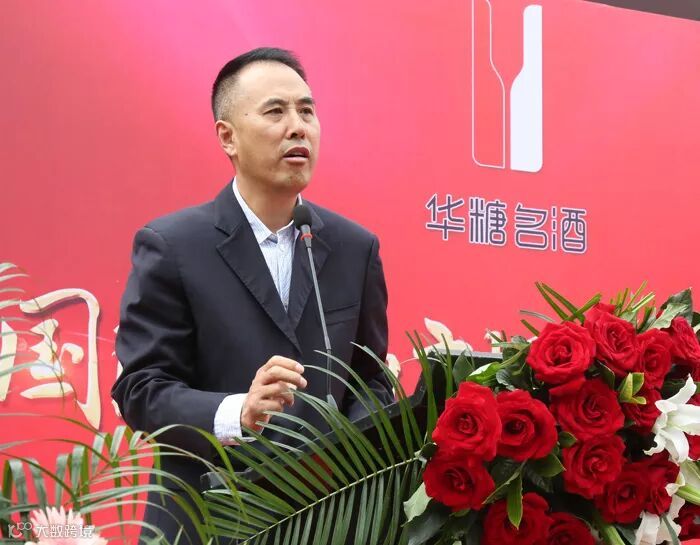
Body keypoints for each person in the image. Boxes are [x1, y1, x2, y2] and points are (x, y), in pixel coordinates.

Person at [111, 47, 393, 544]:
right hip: (205, 520)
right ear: (228, 136)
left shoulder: (354, 248)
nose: (298, 127)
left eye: (307, 111)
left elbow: (371, 383)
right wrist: (238, 412)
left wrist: (350, 448)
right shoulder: (174, 246)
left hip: (325, 523)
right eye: (275, 111)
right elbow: (141, 389)